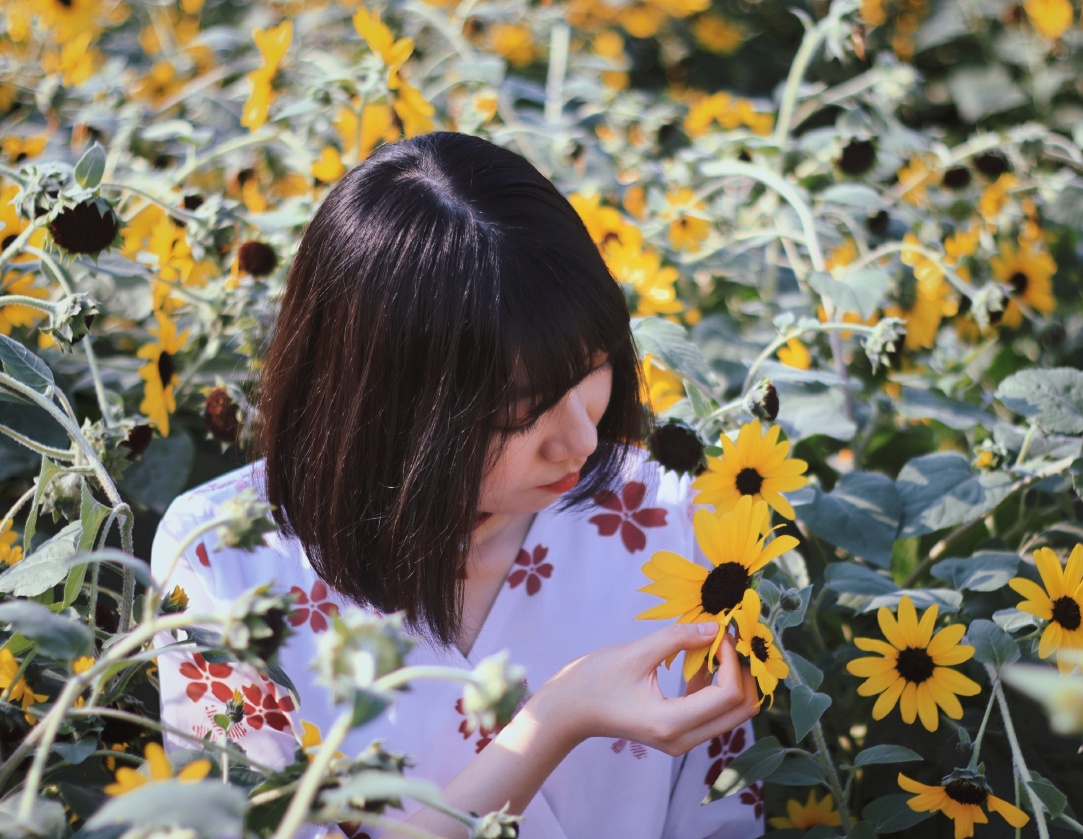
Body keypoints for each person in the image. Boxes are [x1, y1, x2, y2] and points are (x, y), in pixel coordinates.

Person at [153, 132, 763, 838]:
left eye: (592, 369)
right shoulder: (226, 557)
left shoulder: (670, 515)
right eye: (517, 413)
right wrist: (551, 722)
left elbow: (721, 816)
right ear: (388, 405)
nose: (582, 438)